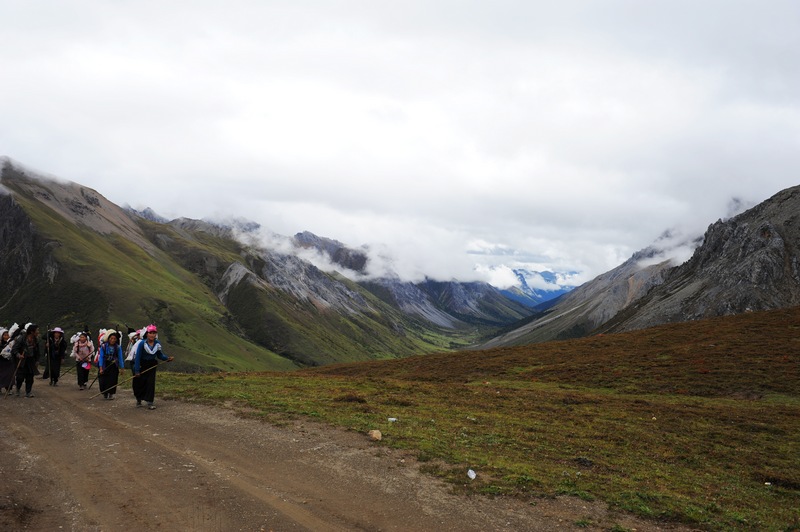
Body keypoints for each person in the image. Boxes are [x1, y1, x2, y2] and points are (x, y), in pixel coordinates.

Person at [133, 324, 173, 409]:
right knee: (140, 382)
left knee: (150, 383)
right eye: (150, 333)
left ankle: (150, 402)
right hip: (142, 365)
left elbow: (159, 355)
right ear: (147, 334)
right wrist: (137, 370)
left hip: (152, 365)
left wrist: (167, 358)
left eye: (154, 333)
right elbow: (138, 357)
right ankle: (139, 399)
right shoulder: (142, 344)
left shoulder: (157, 343)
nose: (152, 335)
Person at [13, 323, 41, 398]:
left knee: (30, 377)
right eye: (37, 330)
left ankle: (28, 392)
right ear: (32, 331)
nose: (38, 332)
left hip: (31, 360)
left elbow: (37, 351)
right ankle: (18, 389)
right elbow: (14, 349)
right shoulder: (21, 338)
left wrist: (37, 360)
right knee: (20, 377)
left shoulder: (35, 340)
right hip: (22, 361)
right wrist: (19, 355)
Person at [97, 330, 124, 400]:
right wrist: (100, 367)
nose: (112, 340)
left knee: (112, 380)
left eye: (114, 339)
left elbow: (120, 357)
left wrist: (122, 367)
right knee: (103, 380)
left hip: (113, 365)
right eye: (111, 338)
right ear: (108, 338)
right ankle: (105, 393)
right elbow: (101, 357)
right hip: (105, 364)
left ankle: (111, 393)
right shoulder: (103, 346)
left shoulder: (118, 347)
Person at [0, 327, 14, 394]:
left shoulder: (11, 343)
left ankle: (8, 389)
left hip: (9, 362)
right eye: (4, 335)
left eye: (7, 335)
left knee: (9, 375)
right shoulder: (0, 343)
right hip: (1, 362)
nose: (6, 336)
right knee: (1, 375)